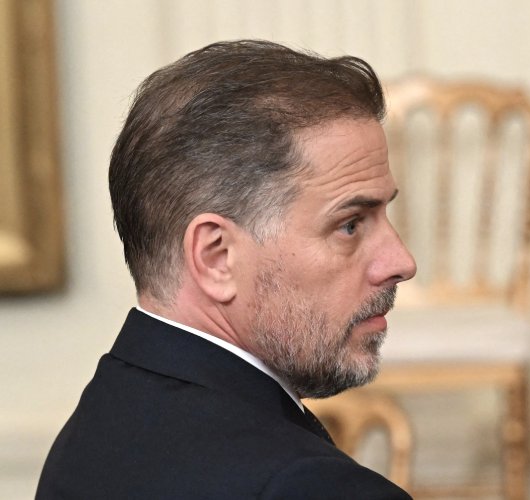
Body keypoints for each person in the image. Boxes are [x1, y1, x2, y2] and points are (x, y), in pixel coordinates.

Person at [36, 40, 416, 499]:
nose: (401, 263)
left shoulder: (92, 435)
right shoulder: (309, 486)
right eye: (350, 225)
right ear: (216, 257)